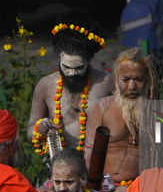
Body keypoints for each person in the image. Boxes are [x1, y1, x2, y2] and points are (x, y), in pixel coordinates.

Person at [27, 9, 114, 153]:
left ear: (88, 60)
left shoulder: (106, 82)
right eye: (66, 67)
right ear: (59, 59)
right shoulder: (45, 86)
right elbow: (30, 131)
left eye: (79, 67)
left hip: (101, 163)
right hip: (63, 165)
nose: (72, 73)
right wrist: (39, 128)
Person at [84, 47, 159, 192]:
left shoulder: (159, 112)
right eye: (126, 79)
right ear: (117, 79)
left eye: (138, 79)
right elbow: (89, 151)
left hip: (137, 185)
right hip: (102, 184)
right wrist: (92, 188)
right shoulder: (102, 107)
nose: (132, 86)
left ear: (147, 80)